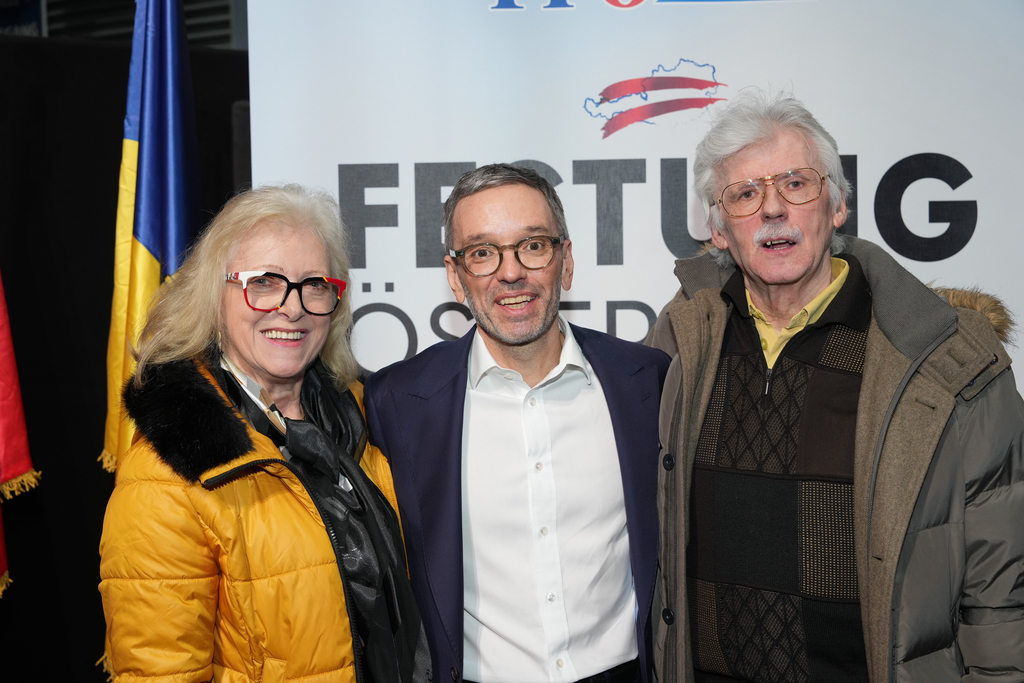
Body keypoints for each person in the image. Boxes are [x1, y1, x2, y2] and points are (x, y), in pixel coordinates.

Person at [646, 89, 1024, 683]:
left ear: (838, 204)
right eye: (744, 194)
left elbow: (1002, 591)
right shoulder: (675, 348)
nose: (773, 209)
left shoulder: (950, 362)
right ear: (717, 231)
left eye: (796, 184)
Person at [99, 184, 429, 683]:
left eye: (314, 284)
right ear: (214, 295)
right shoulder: (166, 475)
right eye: (265, 282)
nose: (292, 308)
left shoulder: (365, 417)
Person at [363, 164, 671, 683]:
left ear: (566, 261)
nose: (510, 273)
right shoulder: (396, 401)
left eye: (532, 246)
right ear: (455, 276)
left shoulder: (646, 380)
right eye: (482, 252)